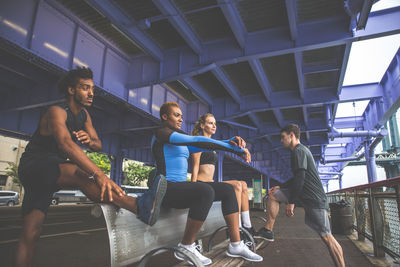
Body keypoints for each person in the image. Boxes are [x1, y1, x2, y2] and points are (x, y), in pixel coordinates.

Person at [15, 67, 167, 267]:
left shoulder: (84, 116)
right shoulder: (56, 112)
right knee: (81, 174)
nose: (91, 93)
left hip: (49, 174)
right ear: (71, 90)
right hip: (36, 165)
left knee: (31, 233)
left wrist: (89, 141)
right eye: (85, 88)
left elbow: (98, 143)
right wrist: (99, 174)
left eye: (92, 89)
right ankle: (138, 206)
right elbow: (66, 145)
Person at [152, 102, 263, 265]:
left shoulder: (180, 140)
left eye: (182, 116)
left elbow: (202, 145)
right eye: (177, 115)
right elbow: (198, 140)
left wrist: (230, 142)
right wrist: (233, 149)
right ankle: (186, 245)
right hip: (166, 190)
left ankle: (236, 244)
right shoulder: (162, 133)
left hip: (180, 189)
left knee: (227, 189)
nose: (181, 119)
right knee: (205, 191)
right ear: (164, 116)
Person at [256, 124, 345, 267]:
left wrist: (292, 201)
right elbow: (298, 176)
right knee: (273, 195)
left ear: (292, 135)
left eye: (283, 137)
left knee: (327, 237)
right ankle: (268, 230)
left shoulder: (299, 151)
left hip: (314, 199)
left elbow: (300, 178)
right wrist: (282, 187)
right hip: (307, 197)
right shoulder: (300, 151)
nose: (281, 140)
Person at [191, 113, 256, 236]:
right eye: (210, 123)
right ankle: (236, 229)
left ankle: (248, 227)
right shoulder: (198, 142)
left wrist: (241, 150)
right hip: (202, 184)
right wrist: (193, 189)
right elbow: (195, 167)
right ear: (202, 125)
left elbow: (226, 145)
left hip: (211, 183)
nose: (214, 126)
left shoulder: (213, 144)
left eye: (215, 123)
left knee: (243, 184)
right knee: (236, 185)